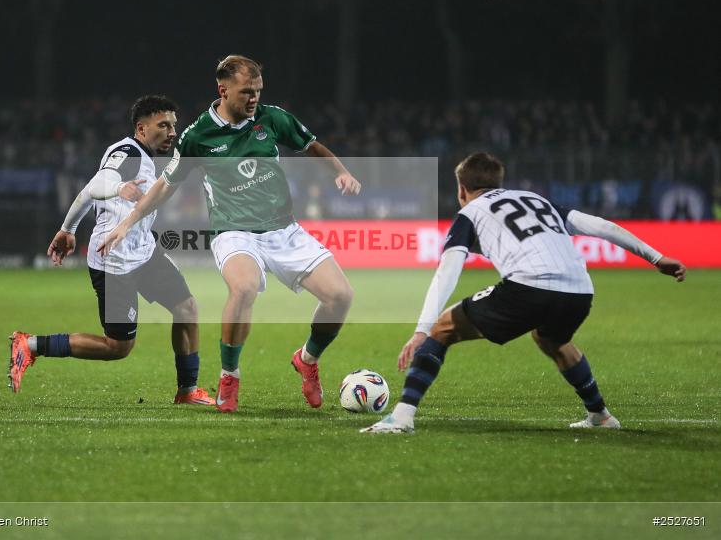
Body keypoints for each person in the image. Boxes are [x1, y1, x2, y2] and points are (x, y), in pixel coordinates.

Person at [98, 55, 361, 412]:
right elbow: (164, 186)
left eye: (258, 91)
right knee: (244, 287)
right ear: (223, 90)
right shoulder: (197, 136)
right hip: (233, 231)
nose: (254, 98)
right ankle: (229, 375)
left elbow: (311, 145)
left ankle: (307, 360)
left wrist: (340, 172)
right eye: (246, 92)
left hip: (283, 229)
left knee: (341, 296)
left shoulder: (273, 118)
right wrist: (126, 223)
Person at [362, 152, 687, 433]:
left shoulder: (469, 213)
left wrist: (421, 329)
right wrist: (656, 257)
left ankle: (402, 418)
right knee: (551, 339)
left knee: (441, 328)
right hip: (579, 290)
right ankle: (600, 416)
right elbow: (601, 225)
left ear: (462, 189)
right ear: (498, 182)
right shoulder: (538, 200)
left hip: (530, 286)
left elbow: (448, 269)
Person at [8, 95, 214, 406]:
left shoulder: (145, 155)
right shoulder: (128, 152)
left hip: (143, 252)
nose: (172, 131)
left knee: (186, 308)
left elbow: (87, 189)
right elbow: (99, 184)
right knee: (117, 347)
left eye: (173, 124)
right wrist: (118, 188)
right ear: (141, 129)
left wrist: (67, 229)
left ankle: (188, 390)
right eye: (163, 125)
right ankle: (31, 345)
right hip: (114, 261)